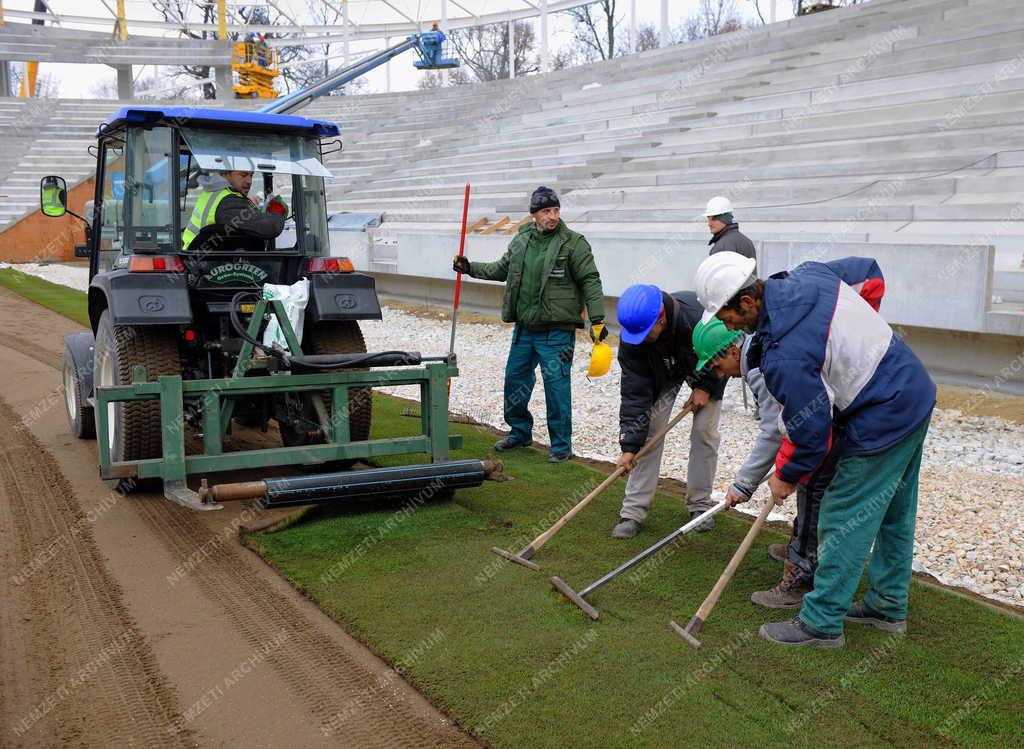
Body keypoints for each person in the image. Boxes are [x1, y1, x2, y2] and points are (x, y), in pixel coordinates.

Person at [694, 251, 935, 648]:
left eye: (726, 316)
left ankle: (822, 622)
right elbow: (867, 272)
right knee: (894, 510)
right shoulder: (806, 275)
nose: (726, 325)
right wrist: (857, 343)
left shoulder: (786, 355)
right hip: (912, 387)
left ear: (749, 302)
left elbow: (813, 431)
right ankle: (887, 604)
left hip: (883, 413)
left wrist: (786, 475)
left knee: (843, 513)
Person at [692, 314, 841, 609]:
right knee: (808, 488)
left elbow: (774, 432)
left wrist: (744, 484)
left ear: (734, 352)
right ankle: (799, 547)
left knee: (813, 492)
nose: (719, 375)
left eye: (717, 365)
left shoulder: (762, 368)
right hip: (822, 421)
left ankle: (801, 577)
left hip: (832, 424)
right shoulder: (758, 350)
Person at [453, 186, 605, 463]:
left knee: (556, 387)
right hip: (525, 329)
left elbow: (591, 281)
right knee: (515, 380)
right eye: (547, 211)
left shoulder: (573, 243)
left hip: (557, 331)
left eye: (556, 210)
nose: (553, 216)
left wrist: (598, 320)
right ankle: (520, 431)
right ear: (534, 214)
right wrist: (469, 267)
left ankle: (561, 445)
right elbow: (501, 269)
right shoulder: (521, 241)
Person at [611, 284, 726, 539]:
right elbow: (635, 393)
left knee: (704, 432)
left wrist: (705, 386)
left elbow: (722, 354)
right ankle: (633, 512)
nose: (639, 338)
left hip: (705, 366)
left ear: (661, 318)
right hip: (663, 372)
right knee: (650, 431)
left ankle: (699, 506)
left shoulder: (698, 320)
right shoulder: (634, 336)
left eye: (645, 333)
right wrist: (629, 446)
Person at [181, 169, 288, 251]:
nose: (249, 181)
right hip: (203, 264)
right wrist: (276, 212)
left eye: (251, 175)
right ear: (226, 173)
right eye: (243, 175)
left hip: (198, 258)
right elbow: (268, 228)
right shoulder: (228, 201)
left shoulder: (214, 192)